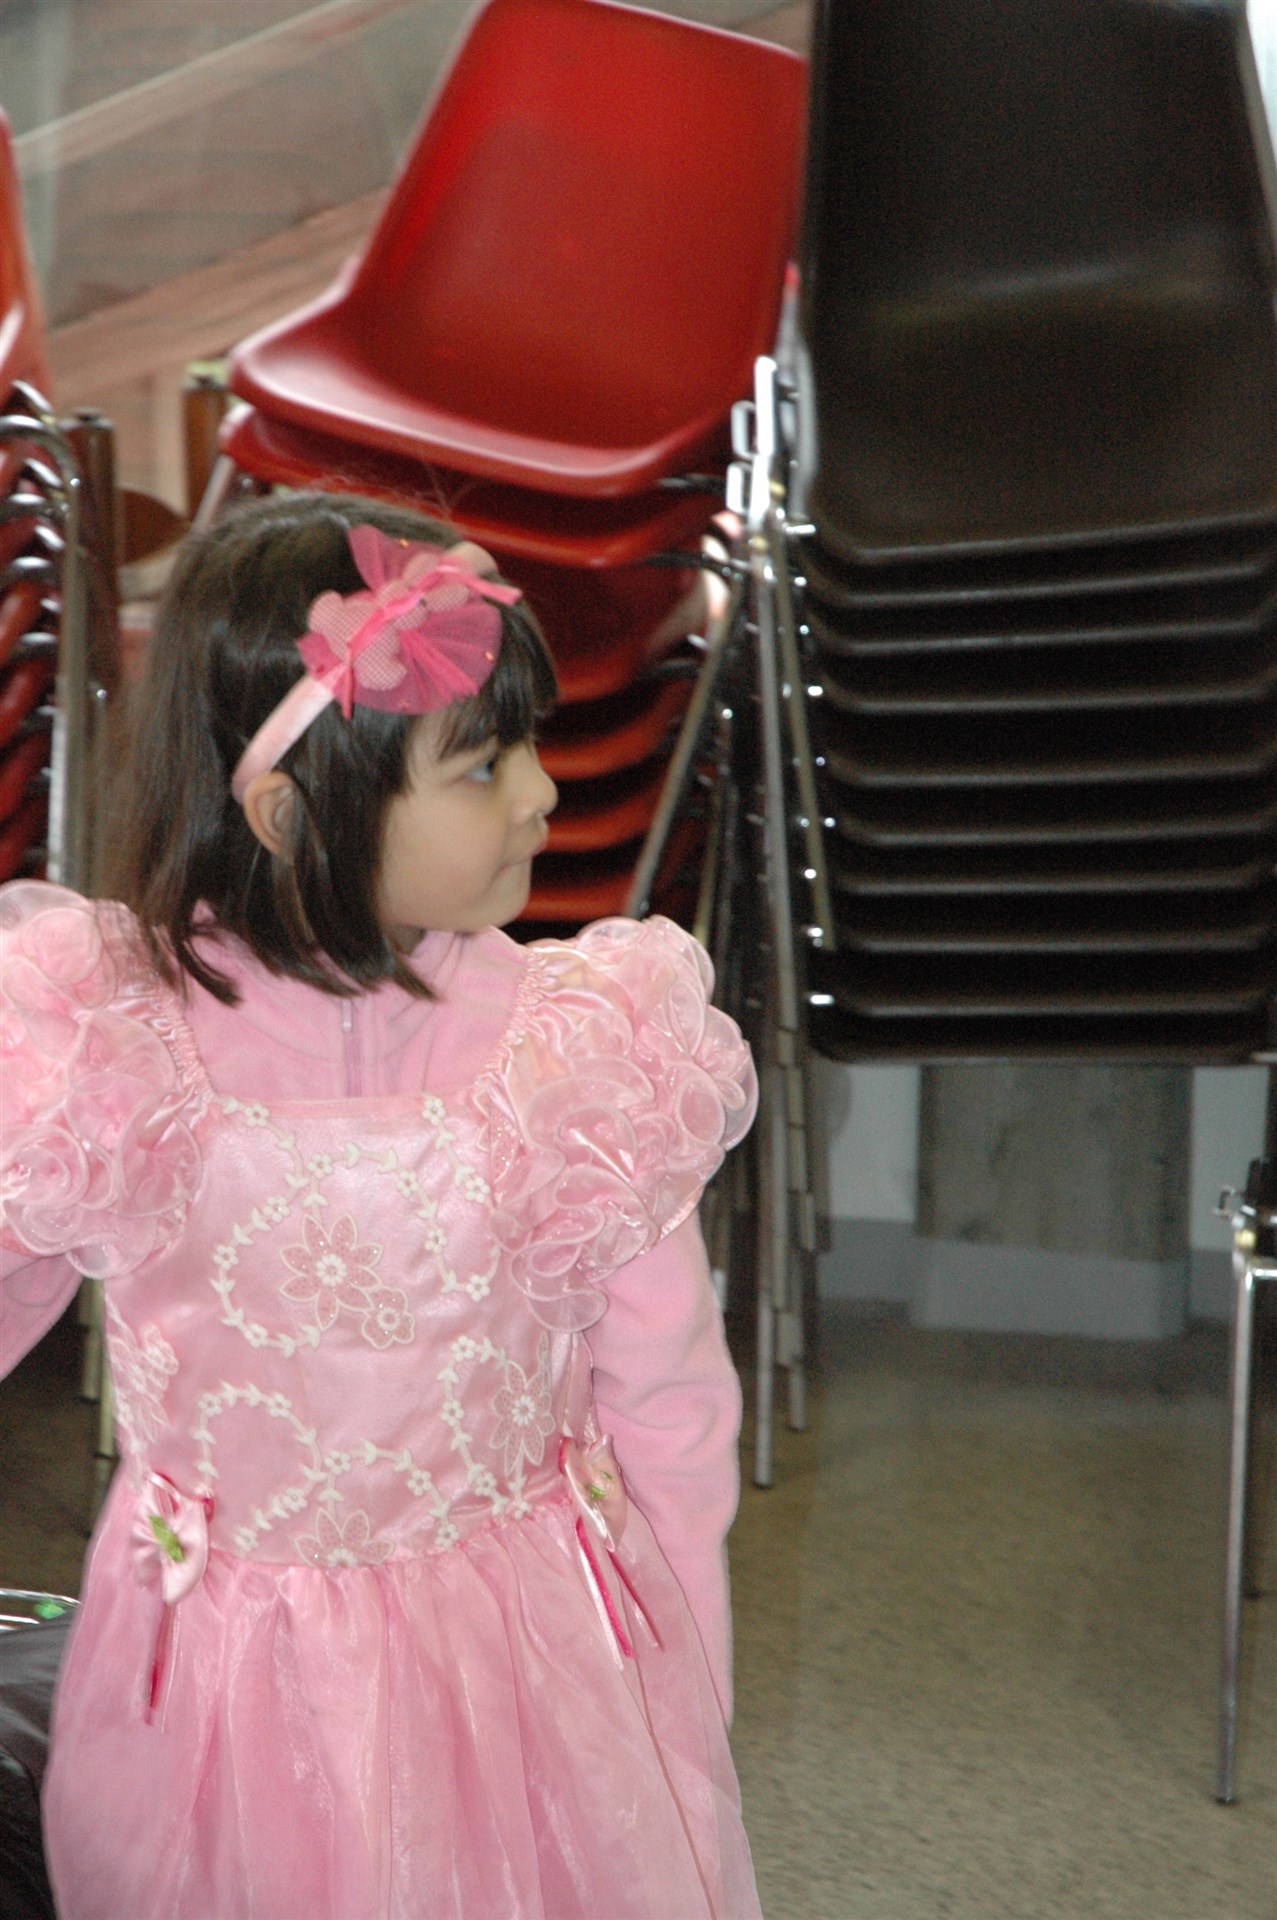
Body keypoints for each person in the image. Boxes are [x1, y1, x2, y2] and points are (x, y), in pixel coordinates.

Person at [0, 492, 761, 1920]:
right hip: (216, 1687)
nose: (540, 794)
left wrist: (680, 1683)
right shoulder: (113, 1050)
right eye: (481, 765)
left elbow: (669, 1397)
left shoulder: (571, 1057)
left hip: (525, 1672)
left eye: (525, 748)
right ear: (293, 811)